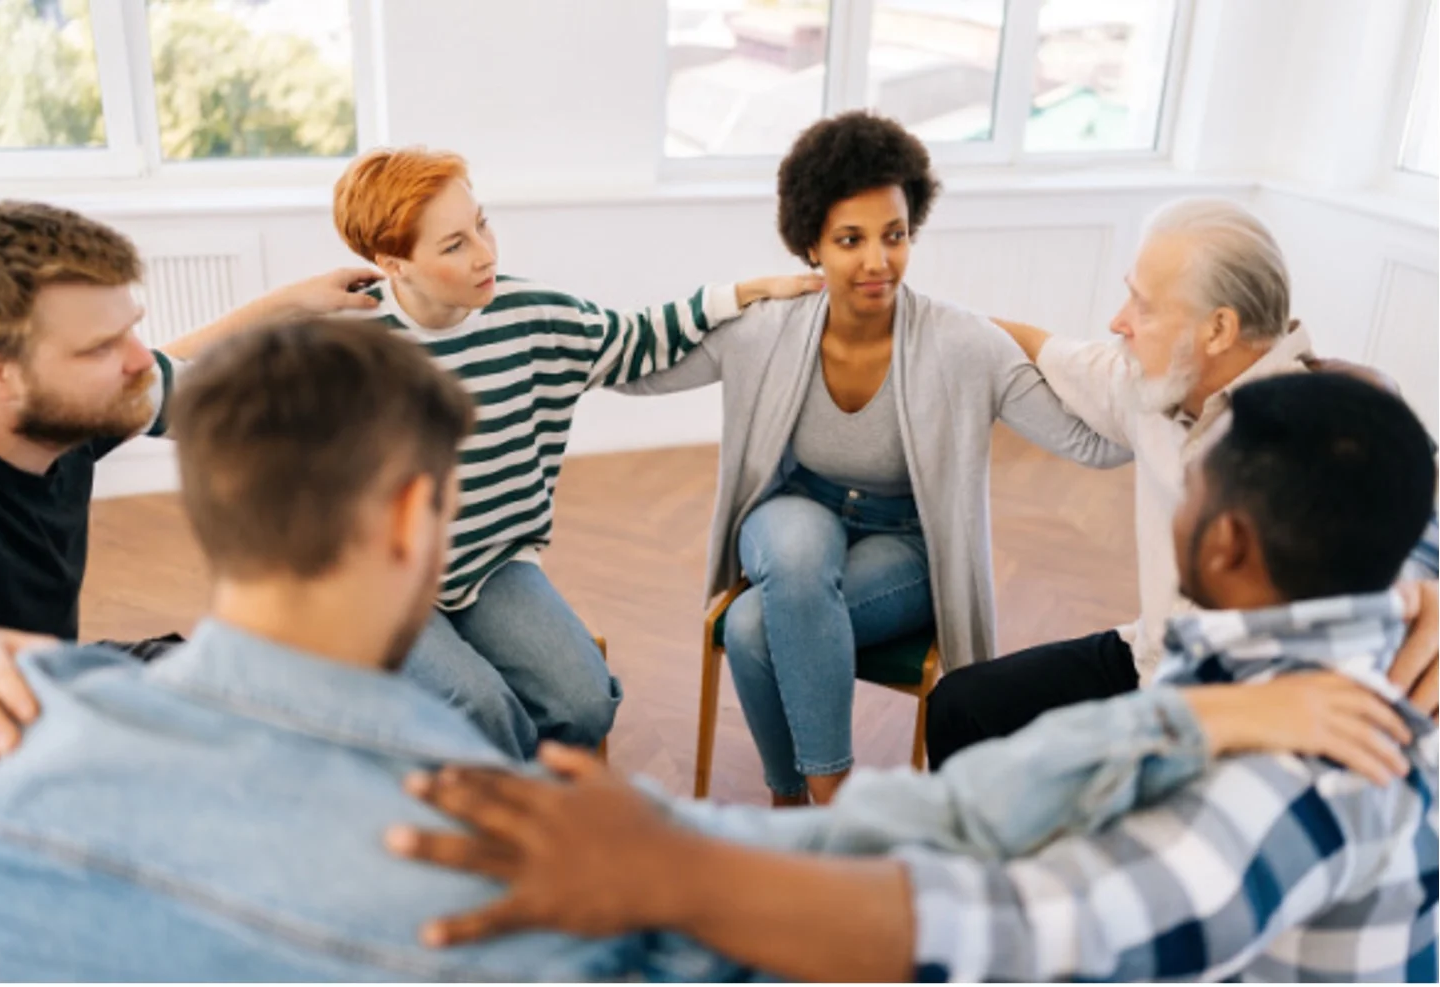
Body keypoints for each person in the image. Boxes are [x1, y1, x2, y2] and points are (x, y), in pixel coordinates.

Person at [0, 327, 1415, 982]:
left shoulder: (17, 745)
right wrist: (1157, 728)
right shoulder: (530, 868)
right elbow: (922, 861)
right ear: (421, 513)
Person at [391, 372, 1440, 983]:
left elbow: (1005, 928)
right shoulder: (1351, 625)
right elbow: (964, 819)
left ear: (1226, 545)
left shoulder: (1300, 777)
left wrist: (670, 873)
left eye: (1187, 490)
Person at [618, 111, 1130, 804]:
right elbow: (634, 366)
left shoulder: (961, 344)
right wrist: (727, 297)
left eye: (893, 236)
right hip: (796, 511)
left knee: (750, 623)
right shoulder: (765, 329)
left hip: (903, 543)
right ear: (810, 245)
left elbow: (1092, 443)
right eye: (849, 240)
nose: (876, 261)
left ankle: (792, 798)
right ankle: (837, 801)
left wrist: (1053, 348)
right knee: (794, 559)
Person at [331, 147, 820, 758]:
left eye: (481, 224)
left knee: (586, 704)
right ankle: (513, 826)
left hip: (491, 564)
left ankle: (498, 796)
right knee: (479, 707)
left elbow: (636, 338)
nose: (485, 253)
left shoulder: (529, 314)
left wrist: (741, 293)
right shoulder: (345, 347)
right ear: (392, 262)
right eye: (454, 245)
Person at [924, 197, 1440, 766]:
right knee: (962, 705)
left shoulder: (1323, 428)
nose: (1118, 321)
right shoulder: (1152, 385)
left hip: (1253, 717)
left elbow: (1422, 507)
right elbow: (1043, 346)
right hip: (1152, 662)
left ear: (1218, 328)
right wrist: (903, 313)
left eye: (1142, 306)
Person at [0, 202, 377, 735]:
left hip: (52, 675)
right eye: (99, 348)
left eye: (129, 331)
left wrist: (295, 303)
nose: (137, 360)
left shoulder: (60, 413)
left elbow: (177, 372)